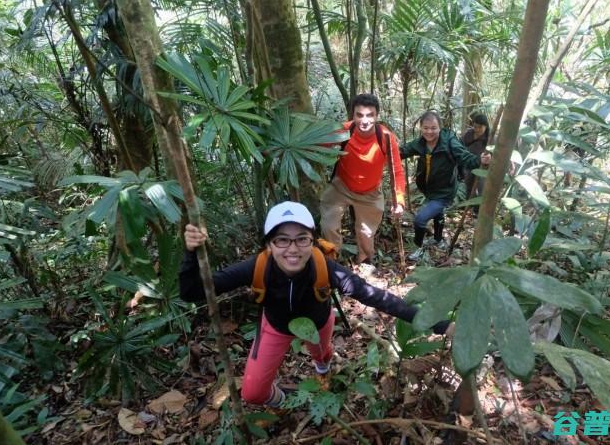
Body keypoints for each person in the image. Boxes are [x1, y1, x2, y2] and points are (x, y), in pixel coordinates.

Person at [179, 201, 449, 409]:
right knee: (253, 394)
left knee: (322, 356)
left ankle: (322, 369)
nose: (292, 249)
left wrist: (442, 325)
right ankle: (286, 401)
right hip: (276, 328)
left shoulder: (325, 268)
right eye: (282, 240)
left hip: (319, 324)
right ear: (269, 245)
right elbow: (192, 292)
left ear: (312, 240)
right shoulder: (258, 266)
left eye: (301, 239)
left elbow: (377, 297)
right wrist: (191, 253)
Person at [320, 93, 405, 267]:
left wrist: (399, 201)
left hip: (370, 192)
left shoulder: (386, 137)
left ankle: (365, 262)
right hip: (341, 187)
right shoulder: (344, 130)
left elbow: (396, 169)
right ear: (353, 115)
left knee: (366, 233)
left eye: (370, 115)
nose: (364, 121)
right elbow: (320, 142)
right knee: (328, 225)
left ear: (377, 116)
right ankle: (332, 263)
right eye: (359, 115)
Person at [400, 111, 491, 261]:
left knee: (420, 220)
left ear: (440, 128)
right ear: (421, 128)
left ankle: (418, 248)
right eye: (426, 128)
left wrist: (480, 160)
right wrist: (384, 151)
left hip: (445, 191)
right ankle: (438, 239)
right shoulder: (421, 143)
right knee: (438, 214)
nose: (429, 132)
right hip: (429, 189)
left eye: (433, 128)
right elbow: (402, 151)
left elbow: (464, 157)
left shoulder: (449, 141)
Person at [461, 112, 490, 199]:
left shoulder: (490, 138)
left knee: (481, 187)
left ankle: (479, 208)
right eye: (475, 126)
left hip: (483, 166)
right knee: (468, 184)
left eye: (480, 127)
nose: (477, 129)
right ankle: (467, 204)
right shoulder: (469, 134)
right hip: (470, 163)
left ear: (486, 126)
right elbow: (460, 145)